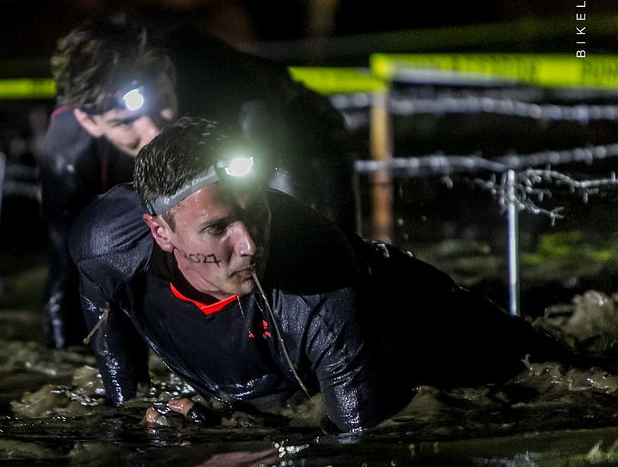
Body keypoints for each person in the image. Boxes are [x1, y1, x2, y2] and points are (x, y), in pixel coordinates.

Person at [69, 116, 574, 433]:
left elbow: (365, 447)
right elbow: (108, 329)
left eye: (255, 211)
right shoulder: (103, 245)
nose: (249, 243)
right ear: (160, 231)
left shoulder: (320, 283)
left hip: (473, 348)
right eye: (218, 227)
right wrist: (130, 416)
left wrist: (233, 430)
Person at [39, 15, 359, 349]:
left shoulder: (208, 67)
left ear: (168, 72)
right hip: (212, 147)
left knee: (309, 248)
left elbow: (275, 184)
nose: (151, 133)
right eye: (123, 123)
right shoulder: (67, 154)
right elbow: (65, 274)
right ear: (88, 122)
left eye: (159, 104)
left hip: (294, 133)